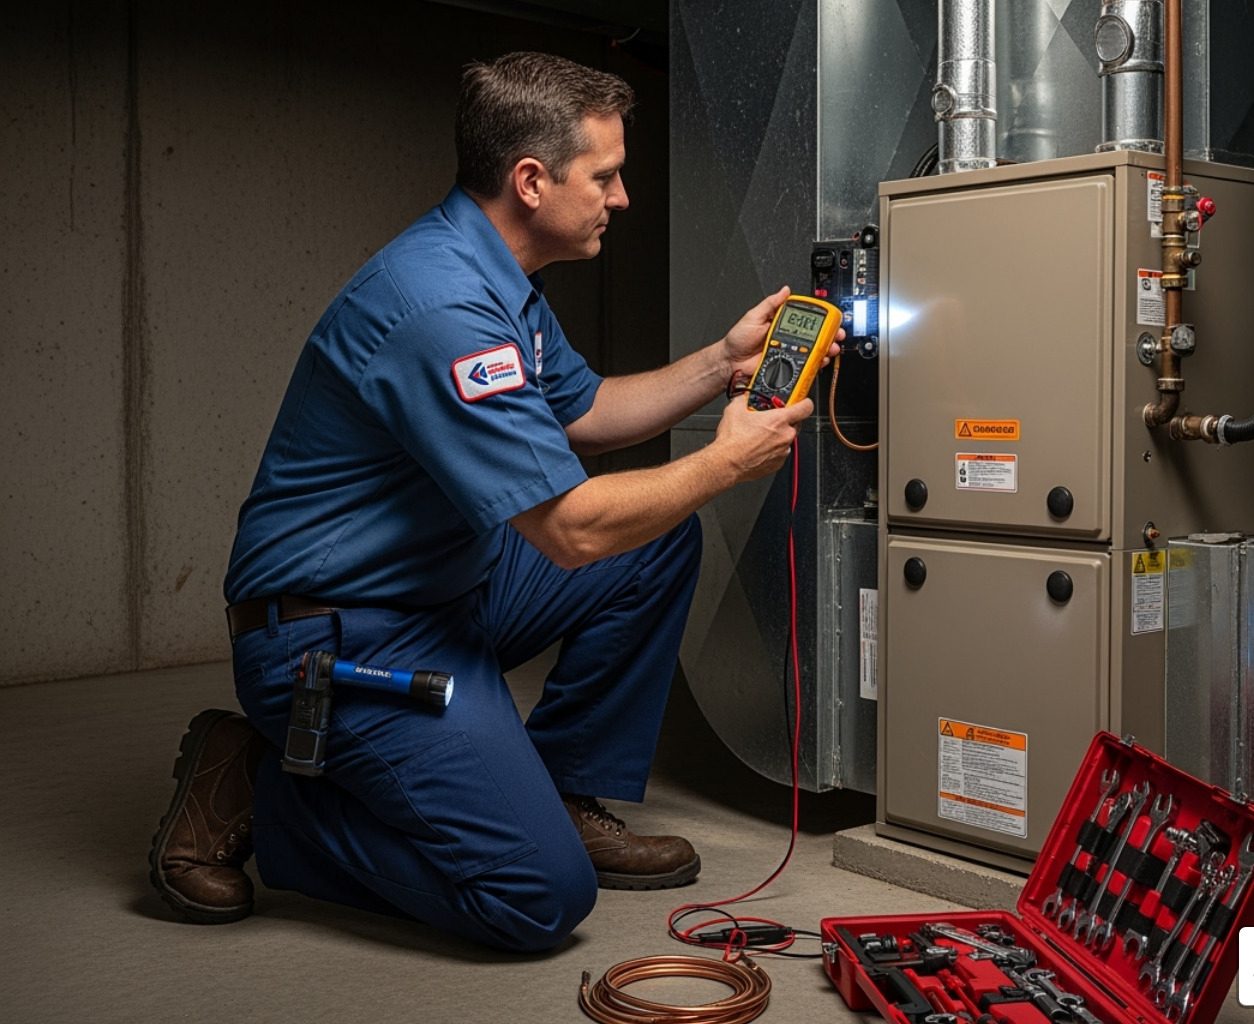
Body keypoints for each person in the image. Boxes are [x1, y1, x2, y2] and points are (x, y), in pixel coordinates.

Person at [147, 51, 833, 953]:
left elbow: (585, 412)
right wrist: (726, 461)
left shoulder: (503, 280)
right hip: (334, 635)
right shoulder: (441, 306)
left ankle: (555, 788)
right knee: (536, 896)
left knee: (658, 543)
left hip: (444, 586)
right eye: (607, 175)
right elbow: (570, 531)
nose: (622, 198)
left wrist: (719, 364)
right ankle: (262, 791)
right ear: (532, 180)